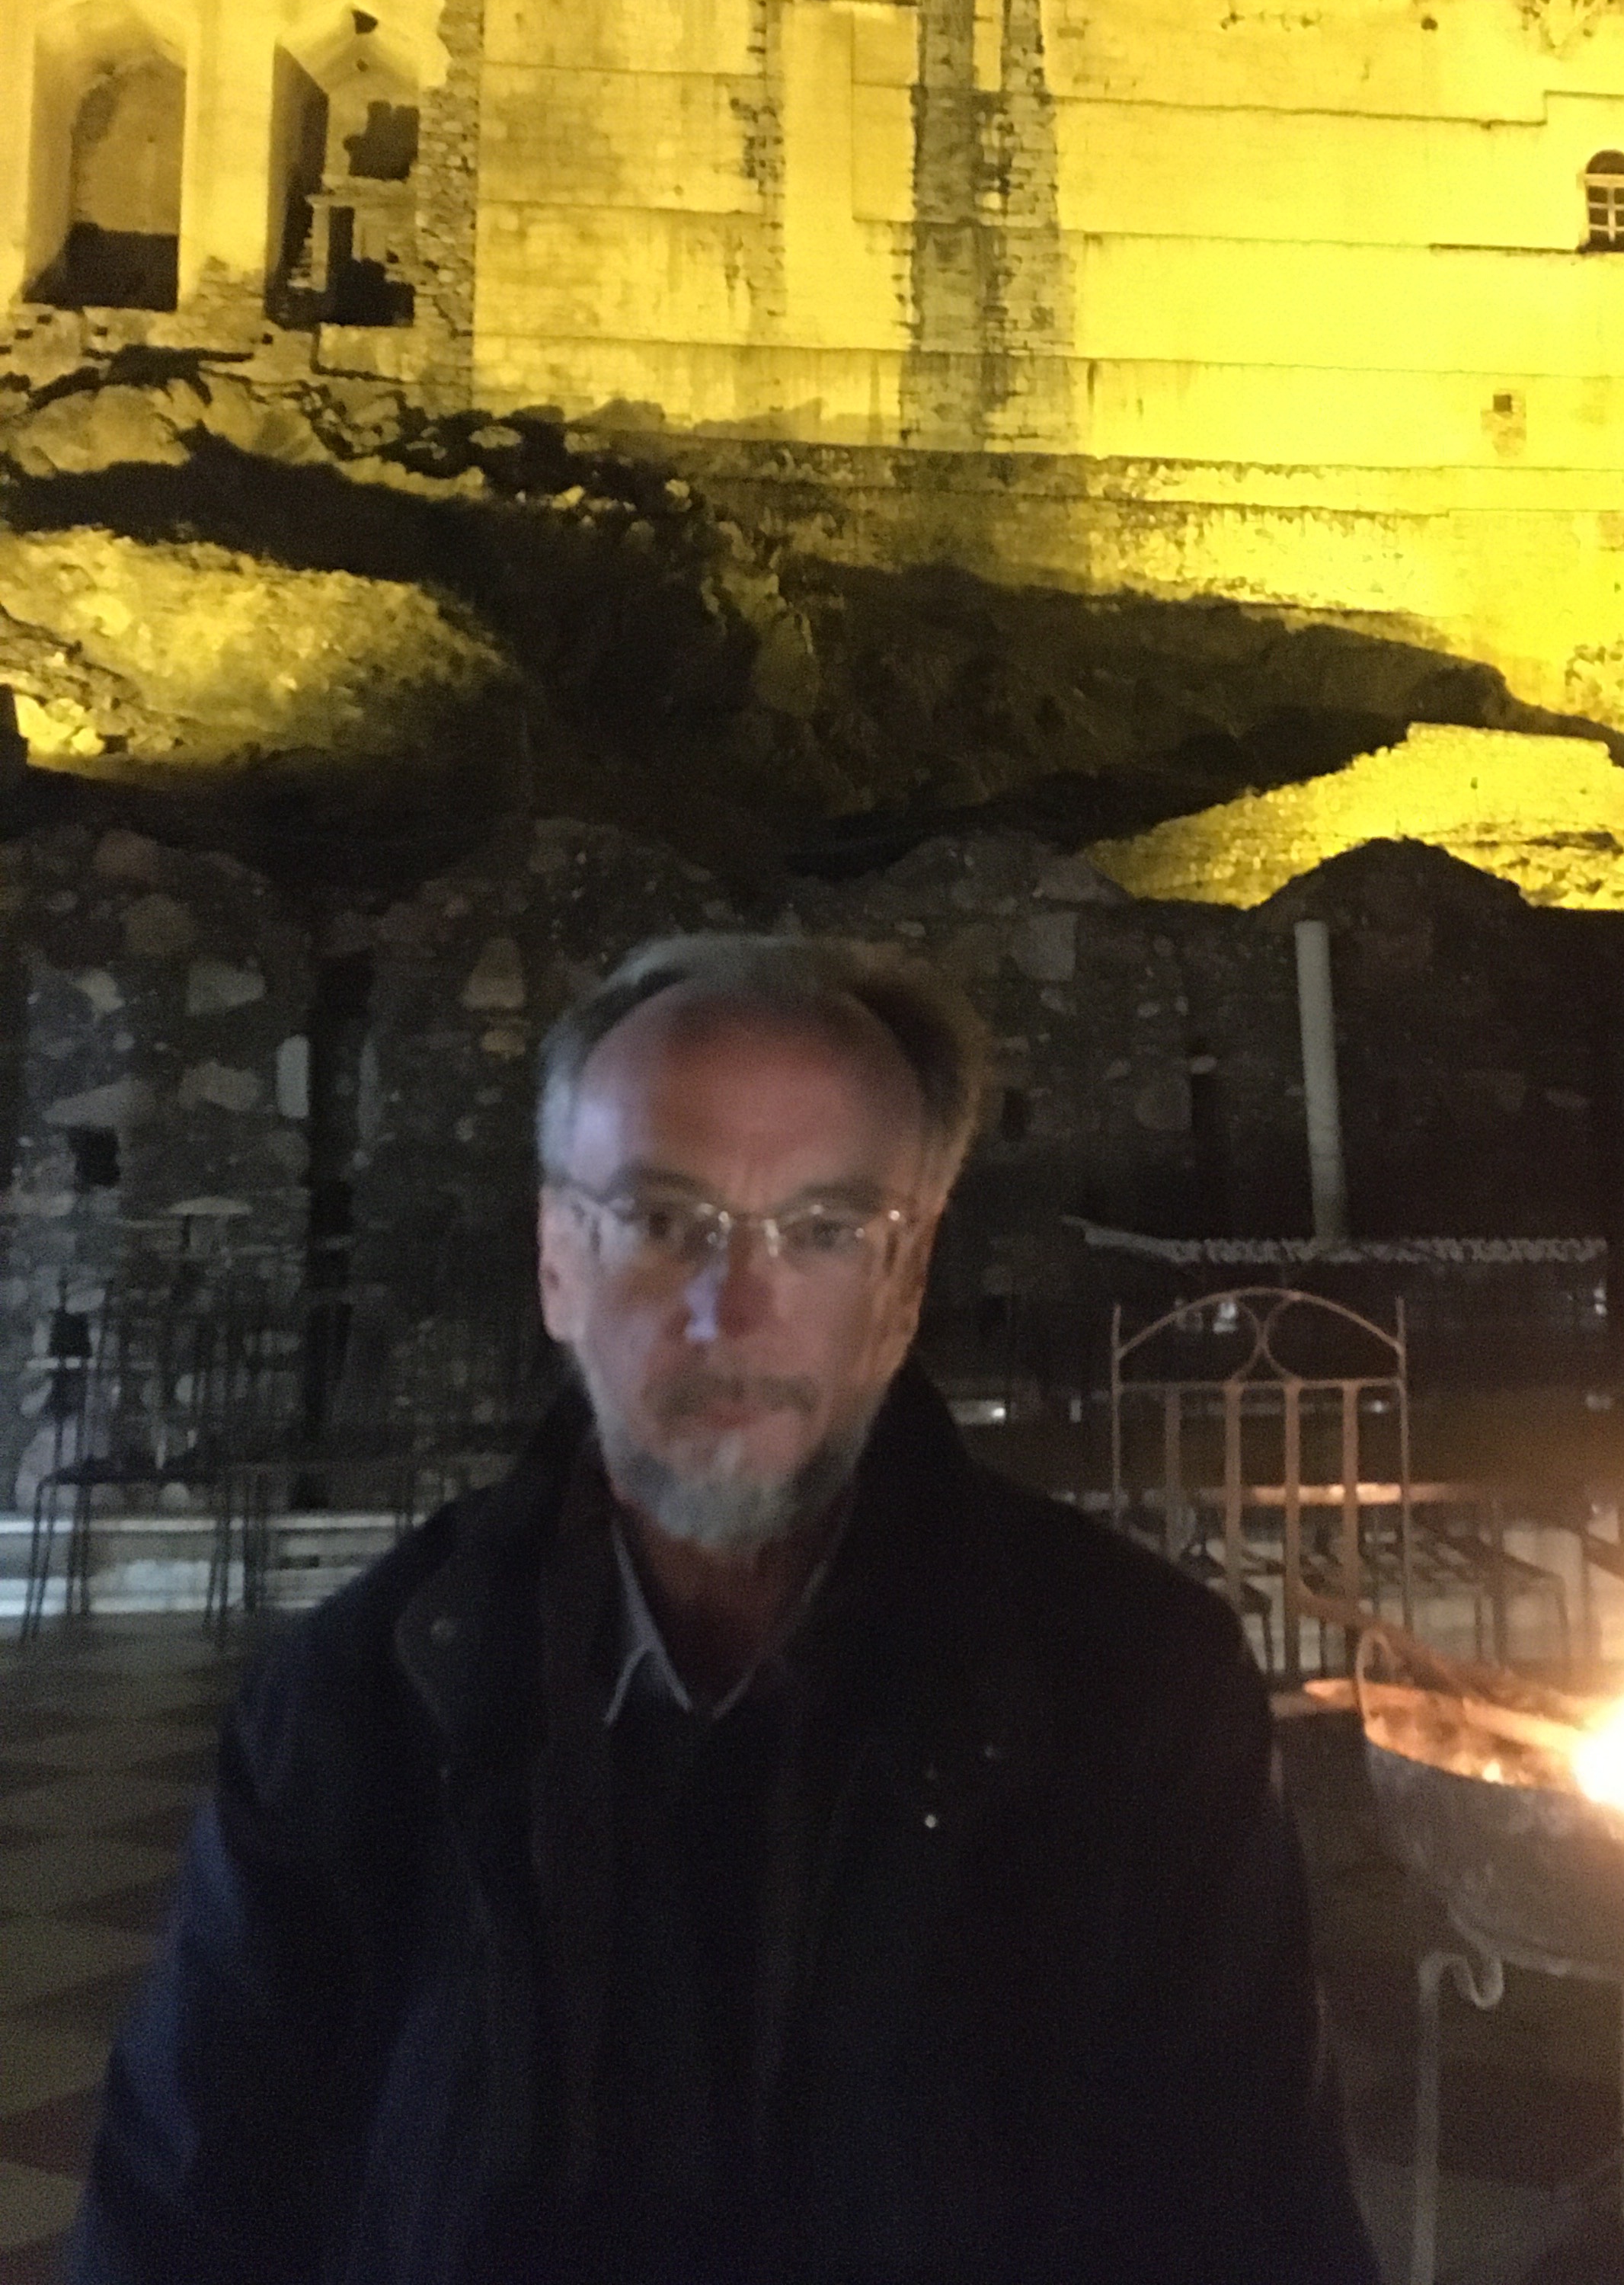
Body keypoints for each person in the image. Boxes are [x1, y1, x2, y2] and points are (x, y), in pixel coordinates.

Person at [72, 934, 1379, 2285]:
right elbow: (184, 2222)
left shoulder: (1135, 1700)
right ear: (557, 1261)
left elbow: (1250, 2226)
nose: (733, 1310)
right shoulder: (352, 1708)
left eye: (824, 1232)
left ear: (903, 1286)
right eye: (661, 1220)